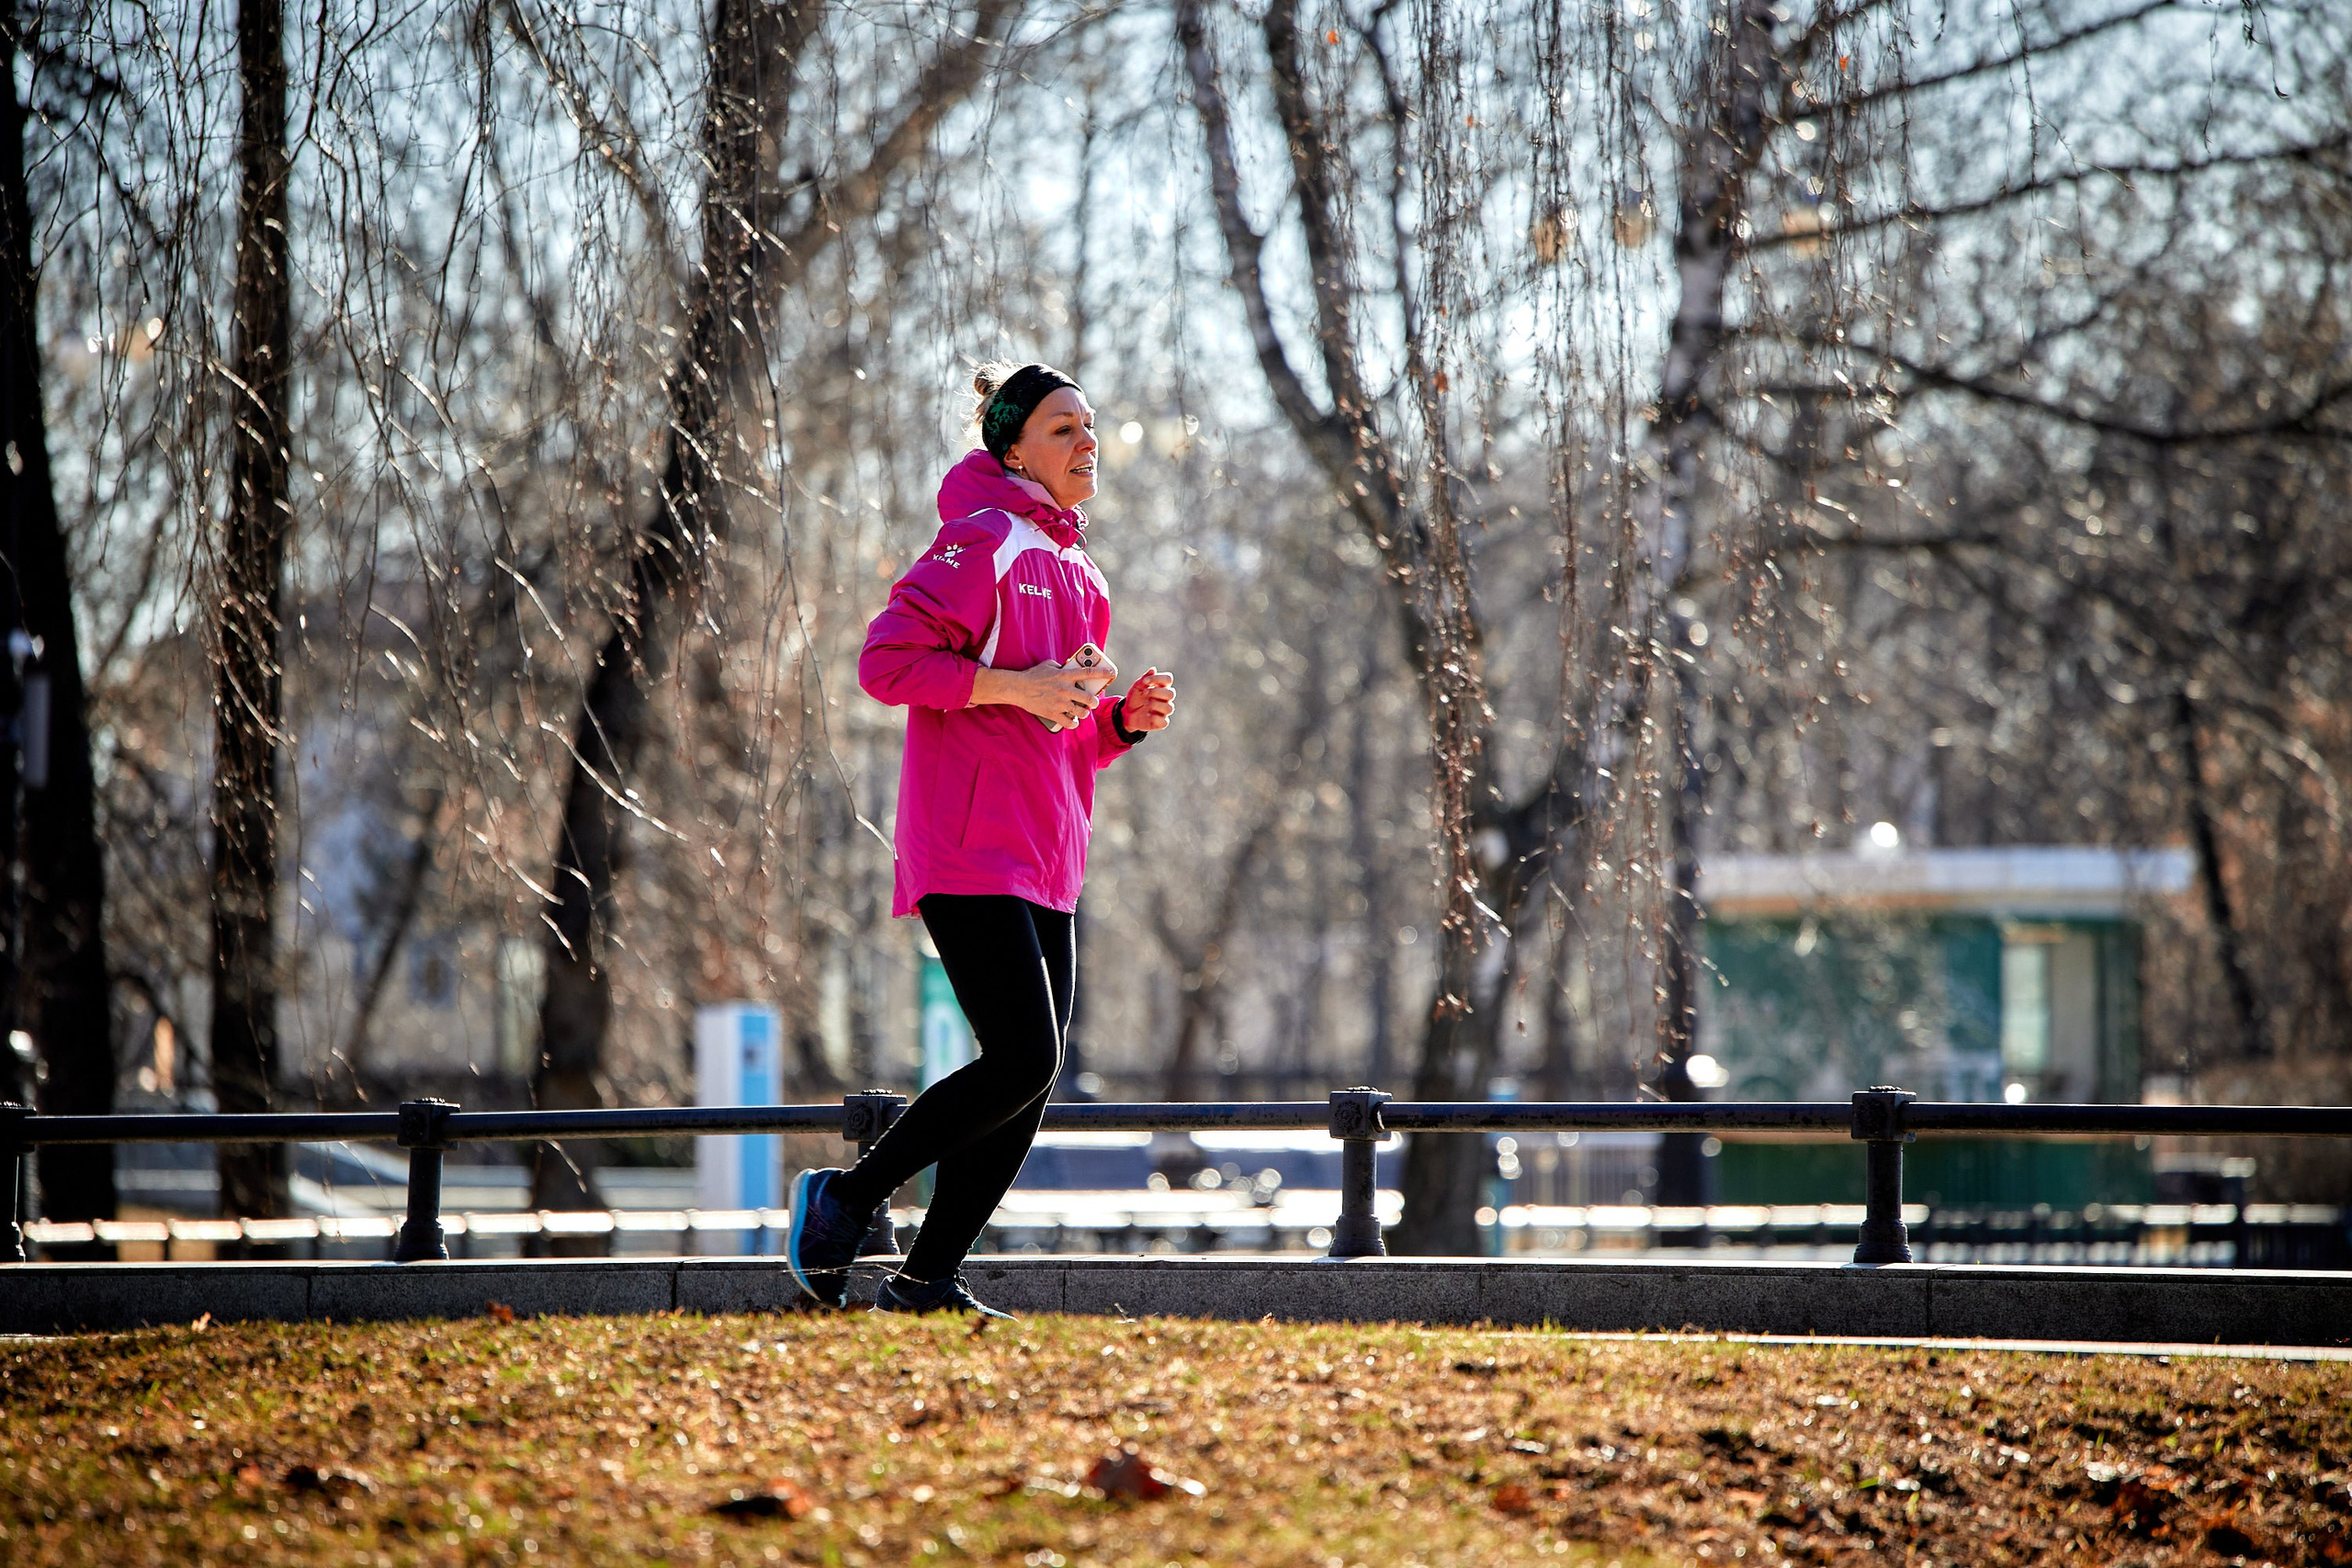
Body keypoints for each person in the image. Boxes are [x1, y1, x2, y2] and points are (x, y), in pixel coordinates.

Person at [786, 361, 1176, 1317]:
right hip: (968, 842)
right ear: (1012, 450)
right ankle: (845, 1199)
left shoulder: (1084, 573)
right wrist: (1022, 686)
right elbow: (887, 664)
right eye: (1061, 429)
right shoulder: (984, 538)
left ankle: (926, 1280)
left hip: (1049, 852)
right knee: (1022, 1057)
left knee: (1030, 1078)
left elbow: (1065, 738)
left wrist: (1117, 722)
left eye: (1090, 426)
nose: (1086, 443)